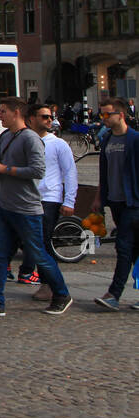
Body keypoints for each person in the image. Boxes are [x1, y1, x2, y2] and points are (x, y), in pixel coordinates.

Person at [0, 97, 71, 316]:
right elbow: (5, 166)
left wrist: (5, 170)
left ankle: (61, 293)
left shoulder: (31, 139)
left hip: (26, 208)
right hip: (4, 206)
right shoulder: (5, 137)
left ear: (16, 113)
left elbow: (37, 171)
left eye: (2, 111)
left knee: (38, 253)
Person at [25, 102, 77, 302]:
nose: (49, 120)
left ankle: (51, 286)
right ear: (32, 119)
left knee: (43, 242)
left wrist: (69, 200)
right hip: (28, 198)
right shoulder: (26, 140)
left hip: (50, 198)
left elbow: (70, 172)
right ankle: (46, 282)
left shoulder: (58, 144)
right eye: (44, 116)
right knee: (33, 242)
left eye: (50, 117)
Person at [91, 97, 139, 311]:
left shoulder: (135, 139)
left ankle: (114, 294)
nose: (103, 119)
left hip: (134, 203)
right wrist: (99, 198)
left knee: (123, 247)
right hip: (116, 203)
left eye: (106, 114)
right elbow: (104, 172)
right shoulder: (108, 140)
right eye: (102, 115)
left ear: (120, 115)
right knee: (135, 251)